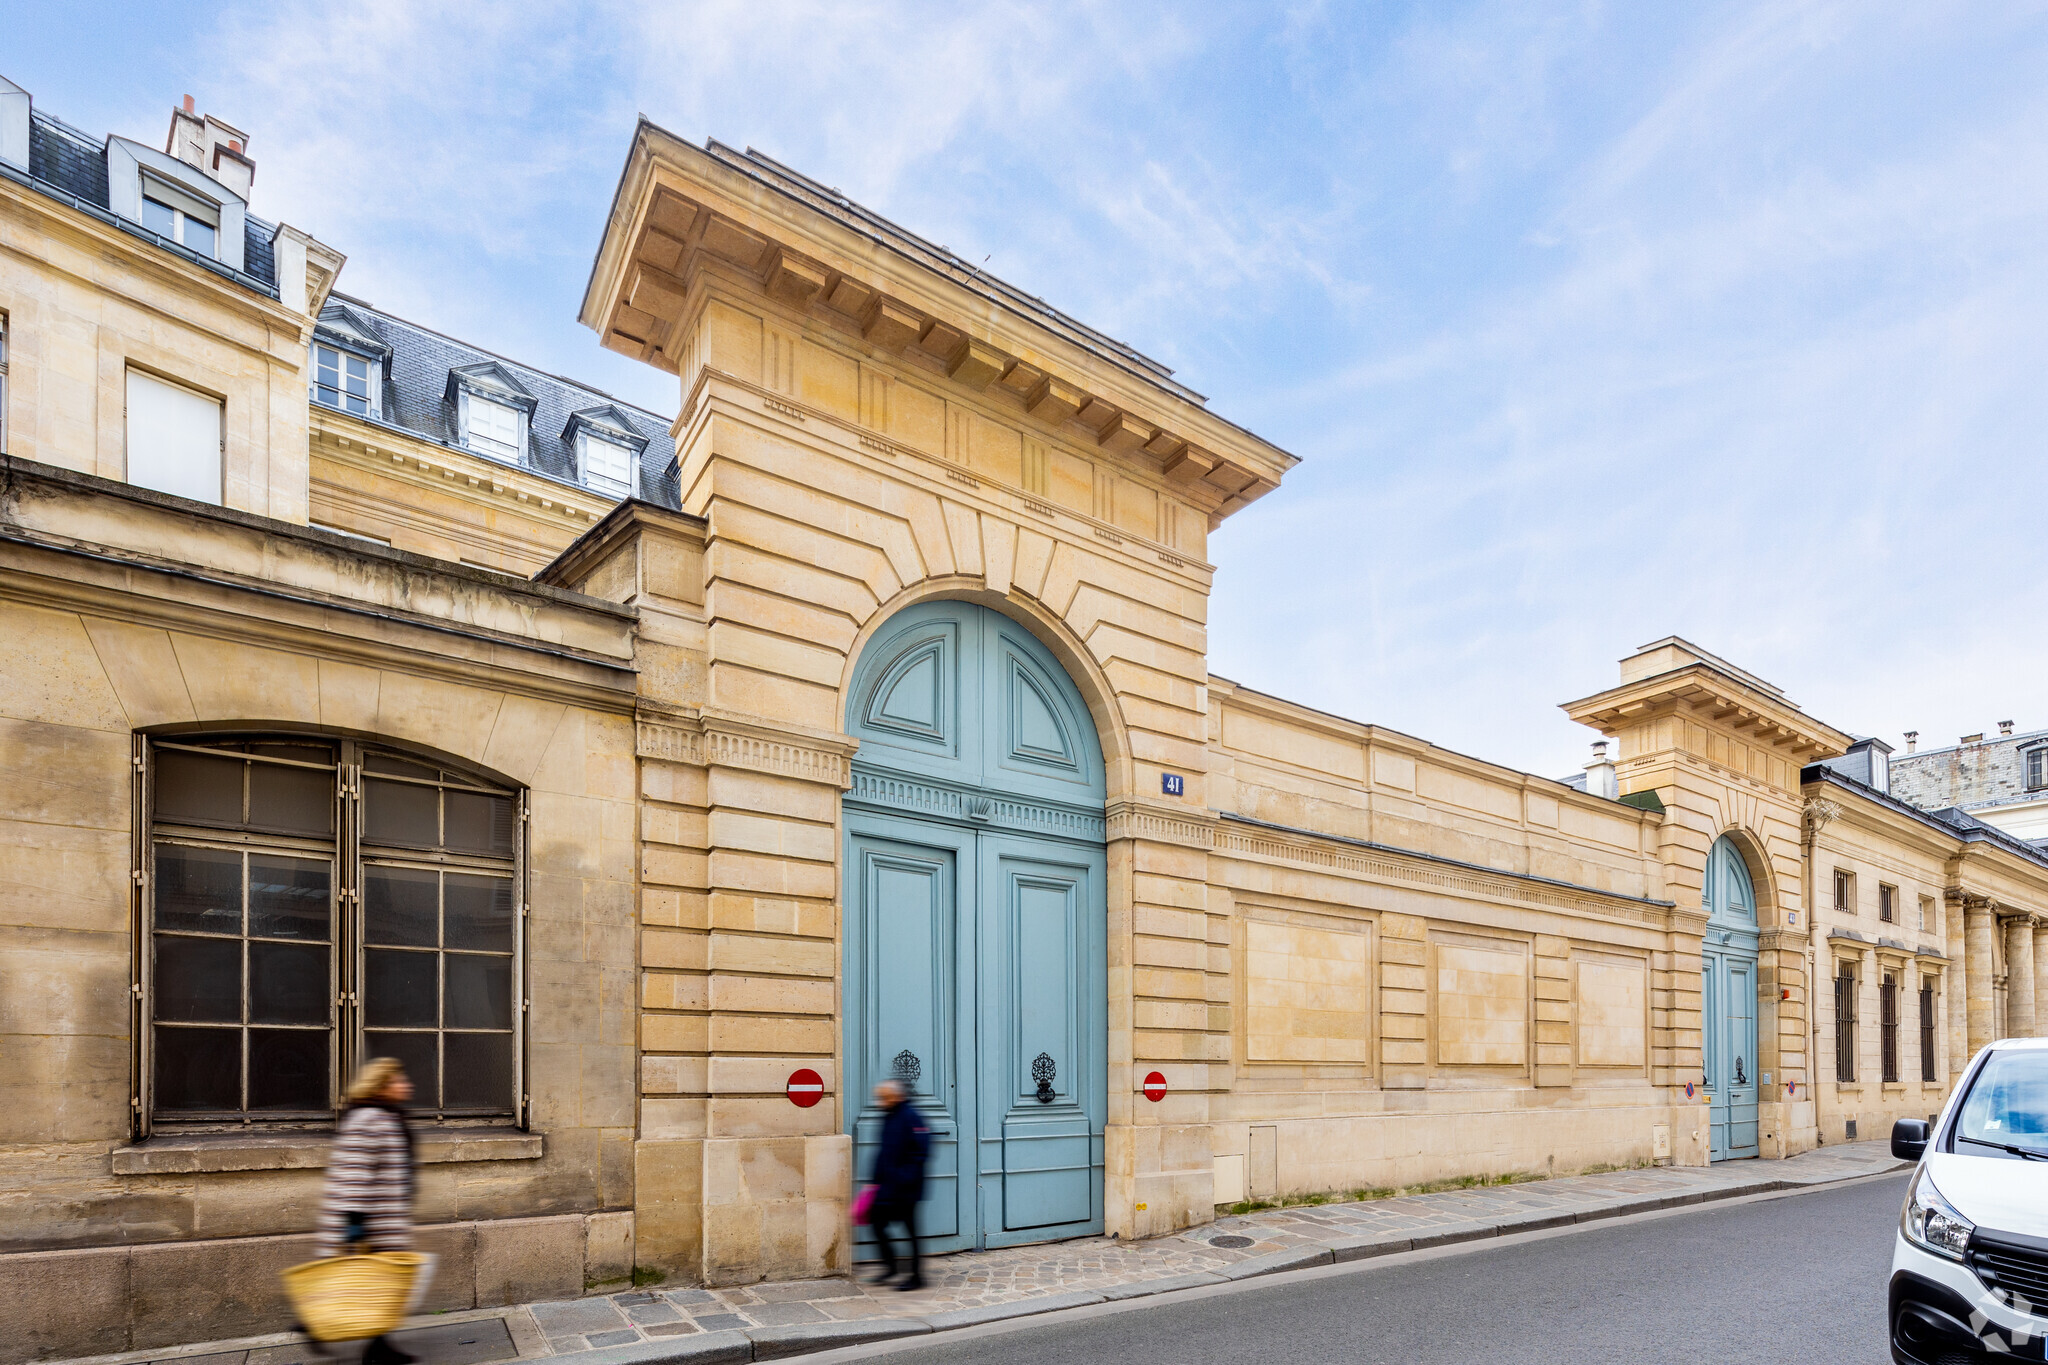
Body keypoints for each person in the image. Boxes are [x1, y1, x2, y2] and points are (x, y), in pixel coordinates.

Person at [317, 1057, 418, 1365]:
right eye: (400, 1081)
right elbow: (353, 1177)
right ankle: (315, 1325)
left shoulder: (387, 1117)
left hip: (383, 1219)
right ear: (383, 1086)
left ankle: (378, 1347)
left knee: (380, 1287)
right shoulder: (368, 1120)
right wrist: (354, 1230)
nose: (407, 1085)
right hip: (368, 1222)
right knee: (377, 1286)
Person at [865, 1079, 931, 1291]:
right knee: (876, 1223)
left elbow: (921, 1153)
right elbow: (884, 1152)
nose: (880, 1101)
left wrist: (902, 1178)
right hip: (887, 1187)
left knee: (911, 1232)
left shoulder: (911, 1116)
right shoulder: (889, 1115)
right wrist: (874, 1181)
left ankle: (917, 1277)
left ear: (896, 1096)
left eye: (883, 1097)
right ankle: (891, 1267)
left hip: (906, 1189)